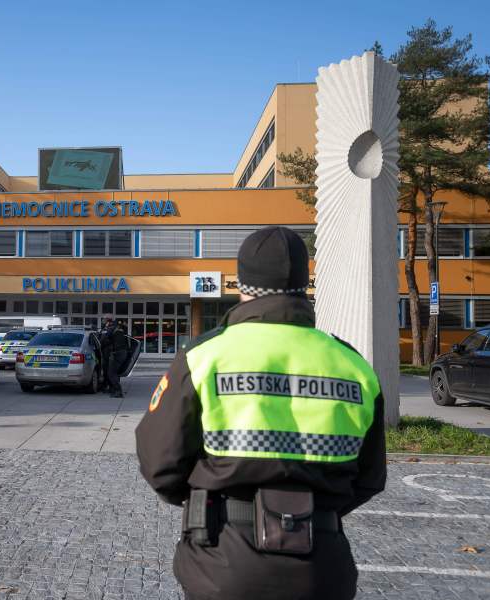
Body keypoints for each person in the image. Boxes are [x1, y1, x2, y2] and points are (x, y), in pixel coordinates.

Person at [135, 226, 386, 600]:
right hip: (323, 563)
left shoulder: (205, 356)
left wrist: (202, 501)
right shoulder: (352, 364)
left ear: (242, 284)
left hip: (223, 559)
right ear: (305, 284)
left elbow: (160, 462)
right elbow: (369, 477)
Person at [105, 319, 130, 398]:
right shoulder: (121, 331)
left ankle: (118, 391)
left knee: (111, 373)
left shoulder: (113, 330)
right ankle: (114, 390)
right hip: (122, 353)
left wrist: (107, 329)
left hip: (117, 354)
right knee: (115, 372)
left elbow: (106, 338)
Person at [99, 317, 114, 393]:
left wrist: (100, 344)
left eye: (103, 320)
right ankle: (105, 385)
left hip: (108, 352)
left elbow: (104, 339)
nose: (102, 321)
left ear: (108, 321)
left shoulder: (110, 328)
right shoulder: (105, 328)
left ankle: (109, 386)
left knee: (108, 370)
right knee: (105, 370)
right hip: (104, 352)